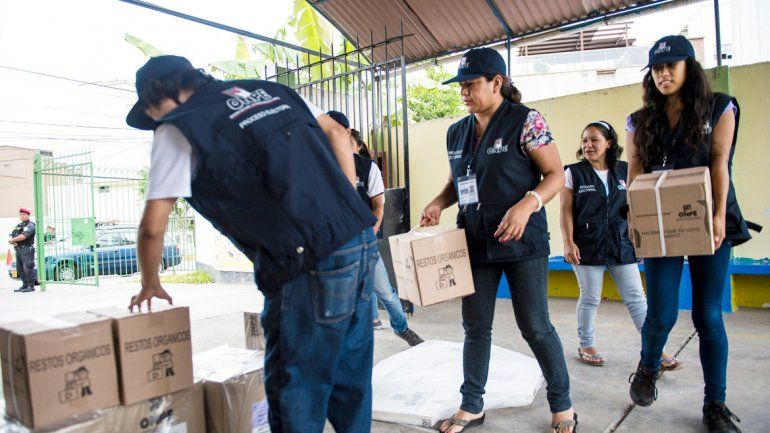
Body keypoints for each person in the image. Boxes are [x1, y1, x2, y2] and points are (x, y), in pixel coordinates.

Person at [124, 55, 378, 433]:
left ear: (158, 94)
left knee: (298, 389)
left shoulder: (177, 128)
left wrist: (150, 281)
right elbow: (338, 133)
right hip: (358, 238)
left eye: (150, 111)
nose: (153, 122)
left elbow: (152, 226)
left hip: (305, 258)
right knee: (351, 379)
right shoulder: (273, 92)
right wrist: (346, 201)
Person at [420, 48, 577, 433]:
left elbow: (556, 174)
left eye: (471, 84)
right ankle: (472, 406)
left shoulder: (527, 121)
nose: (464, 92)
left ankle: (563, 407)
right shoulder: (456, 131)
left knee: (535, 326)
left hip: (522, 244)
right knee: (475, 328)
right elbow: (460, 181)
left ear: (497, 82)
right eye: (461, 86)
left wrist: (529, 204)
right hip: (474, 243)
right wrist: (440, 202)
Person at [626, 35, 756, 433]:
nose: (664, 73)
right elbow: (634, 171)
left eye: (672, 66)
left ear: (689, 67)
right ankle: (648, 368)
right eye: (657, 68)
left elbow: (720, 161)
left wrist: (717, 215)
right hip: (661, 224)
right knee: (662, 312)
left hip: (710, 221)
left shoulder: (719, 107)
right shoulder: (640, 120)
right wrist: (634, 220)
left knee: (708, 315)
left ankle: (714, 404)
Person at [559, 121, 682, 370]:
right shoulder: (572, 172)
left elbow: (638, 209)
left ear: (609, 143)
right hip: (586, 245)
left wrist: (643, 242)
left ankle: (655, 349)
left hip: (622, 244)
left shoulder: (626, 170)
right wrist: (568, 242)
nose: (588, 145)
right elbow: (565, 211)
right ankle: (586, 344)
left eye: (594, 140)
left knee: (637, 298)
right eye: (584, 140)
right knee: (590, 297)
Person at [327, 110, 424, 346]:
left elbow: (378, 206)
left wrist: (369, 234)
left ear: (347, 133)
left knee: (386, 293)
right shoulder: (318, 165)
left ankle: (401, 328)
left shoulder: (366, 167)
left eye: (333, 131)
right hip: (331, 246)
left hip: (363, 242)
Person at [9, 207, 37, 293]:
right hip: (18, 249)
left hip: (27, 249)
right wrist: (12, 241)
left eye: (24, 214)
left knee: (27, 267)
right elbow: (12, 235)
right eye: (21, 215)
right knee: (20, 268)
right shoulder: (19, 226)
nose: (22, 216)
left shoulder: (30, 225)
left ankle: (31, 286)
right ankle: (24, 285)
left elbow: (24, 236)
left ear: (28, 215)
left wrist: (13, 240)